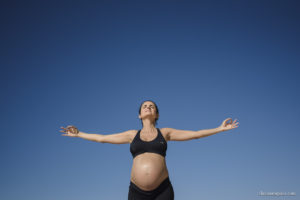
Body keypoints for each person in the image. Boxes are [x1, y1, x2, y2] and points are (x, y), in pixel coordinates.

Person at [60, 100, 239, 200]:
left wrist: (219, 129)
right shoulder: (132, 134)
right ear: (139, 114)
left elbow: (195, 134)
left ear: (157, 114)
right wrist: (79, 134)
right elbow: (103, 139)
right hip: (136, 191)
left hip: (163, 190)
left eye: (152, 106)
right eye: (144, 106)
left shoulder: (165, 132)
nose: (148, 107)